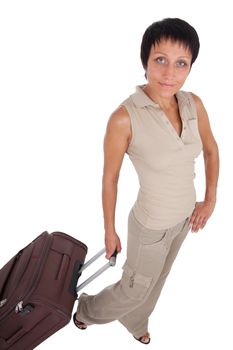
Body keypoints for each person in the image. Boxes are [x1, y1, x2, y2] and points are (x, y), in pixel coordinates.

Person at [73, 17, 219, 344]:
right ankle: (86, 311)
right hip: (150, 226)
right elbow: (110, 178)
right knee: (133, 288)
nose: (170, 73)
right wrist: (109, 230)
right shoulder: (124, 117)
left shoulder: (193, 104)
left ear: (190, 67)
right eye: (160, 60)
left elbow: (211, 150)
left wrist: (210, 200)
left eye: (181, 63)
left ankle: (136, 323)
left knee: (158, 281)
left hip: (184, 219)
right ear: (145, 62)